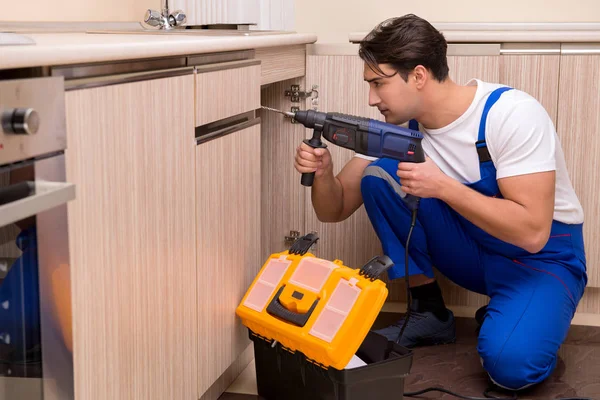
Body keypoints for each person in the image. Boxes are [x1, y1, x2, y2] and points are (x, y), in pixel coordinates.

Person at [293, 14, 587, 391]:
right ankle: (430, 312)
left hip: (540, 260)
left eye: (378, 84)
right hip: (472, 249)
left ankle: (520, 318)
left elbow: (532, 233)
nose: (371, 99)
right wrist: (323, 174)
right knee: (379, 175)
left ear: (418, 75)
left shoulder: (509, 114)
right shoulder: (399, 127)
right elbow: (332, 210)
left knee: (511, 367)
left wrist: (444, 187)